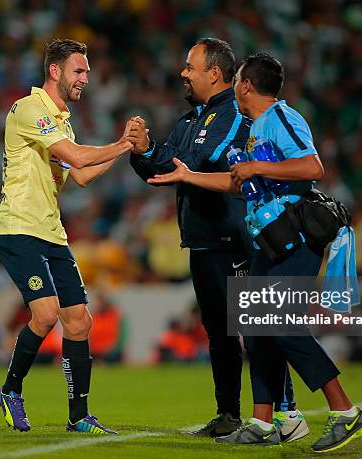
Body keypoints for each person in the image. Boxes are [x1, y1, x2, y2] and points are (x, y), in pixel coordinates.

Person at [149, 53, 362, 451]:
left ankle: (346, 412)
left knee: (281, 325)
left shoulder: (282, 117)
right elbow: (238, 183)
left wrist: (258, 169)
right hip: (270, 238)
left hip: (296, 236)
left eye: (236, 80)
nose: (233, 86)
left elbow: (312, 167)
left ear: (246, 85)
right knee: (256, 327)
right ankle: (263, 422)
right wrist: (188, 175)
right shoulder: (257, 129)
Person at [128, 38, 304, 441]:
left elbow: (197, 162)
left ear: (215, 74)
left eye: (190, 66)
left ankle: (285, 414)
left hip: (236, 237)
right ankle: (228, 413)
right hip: (203, 240)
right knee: (219, 334)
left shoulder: (233, 117)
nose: (183, 73)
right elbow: (163, 171)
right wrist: (142, 151)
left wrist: (158, 151)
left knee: (256, 329)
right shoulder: (191, 120)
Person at [0, 38, 139, 435]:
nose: (86, 78)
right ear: (55, 71)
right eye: (79, 70)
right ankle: (11, 390)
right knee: (46, 313)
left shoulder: (61, 121)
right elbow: (76, 158)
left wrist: (123, 150)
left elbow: (84, 176)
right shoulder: (29, 109)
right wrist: (122, 142)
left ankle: (78, 417)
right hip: (18, 227)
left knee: (79, 322)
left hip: (51, 232)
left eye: (87, 71)